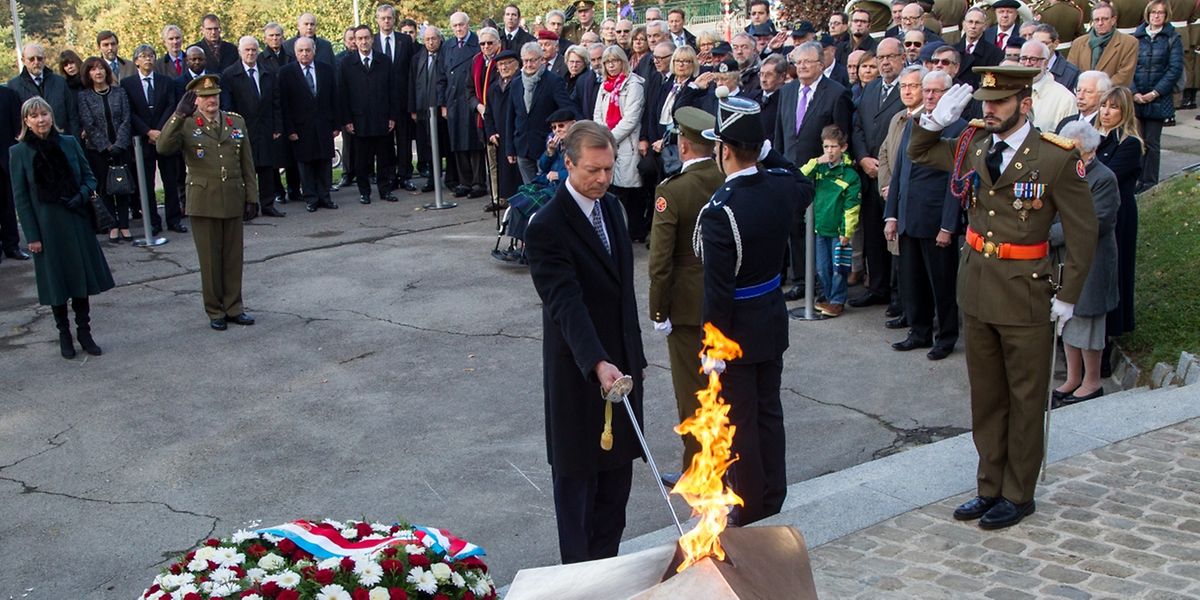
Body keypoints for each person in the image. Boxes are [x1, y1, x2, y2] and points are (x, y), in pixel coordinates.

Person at [909, 66, 1097, 529]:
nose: (987, 110)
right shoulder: (974, 143)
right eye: (983, 103)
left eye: (998, 103)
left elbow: (1083, 230)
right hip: (977, 286)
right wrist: (933, 120)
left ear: (1025, 105)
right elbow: (919, 152)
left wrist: (1069, 294)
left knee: (1025, 396)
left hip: (1026, 291)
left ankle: (1018, 492)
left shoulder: (1054, 158)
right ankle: (988, 485)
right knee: (986, 397)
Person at [524, 120, 646, 564]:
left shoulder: (613, 209)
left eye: (609, 169)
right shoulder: (547, 225)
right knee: (579, 490)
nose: (602, 179)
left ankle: (608, 572)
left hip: (623, 369)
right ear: (568, 162)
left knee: (616, 489)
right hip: (578, 373)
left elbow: (622, 293)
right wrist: (596, 361)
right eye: (592, 170)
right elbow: (565, 302)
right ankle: (579, 580)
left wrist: (632, 357)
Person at [696, 89, 808, 525]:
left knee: (739, 425)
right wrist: (769, 152)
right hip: (770, 318)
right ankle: (772, 497)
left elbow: (717, 290)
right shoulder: (781, 188)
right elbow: (802, 180)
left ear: (724, 151)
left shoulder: (720, 211)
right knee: (768, 414)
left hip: (737, 330)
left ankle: (749, 510)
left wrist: (712, 349)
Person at [647, 107, 724, 482]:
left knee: (692, 393)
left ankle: (699, 472)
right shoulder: (728, 179)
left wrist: (658, 311)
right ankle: (725, 465)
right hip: (728, 298)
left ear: (683, 144)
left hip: (687, 306)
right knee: (724, 387)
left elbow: (660, 261)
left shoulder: (672, 190)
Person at [11, 97, 114, 358]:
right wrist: (32, 236)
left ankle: (84, 332)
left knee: (80, 280)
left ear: (51, 116)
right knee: (56, 284)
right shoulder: (19, 153)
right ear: (26, 121)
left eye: (44, 114)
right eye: (34, 116)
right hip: (46, 229)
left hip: (76, 221)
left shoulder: (68, 143)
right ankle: (64, 334)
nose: (41, 119)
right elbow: (21, 199)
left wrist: (81, 194)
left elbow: (90, 176)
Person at [157, 75, 259, 330]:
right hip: (203, 200)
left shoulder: (235, 121)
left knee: (233, 257)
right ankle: (215, 310)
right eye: (204, 97)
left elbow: (247, 162)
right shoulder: (188, 124)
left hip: (233, 195)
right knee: (210, 260)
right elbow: (162, 147)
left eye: (214, 95)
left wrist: (252, 196)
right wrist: (178, 116)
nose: (210, 100)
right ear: (195, 100)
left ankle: (234, 307)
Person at [884, 68, 966, 359]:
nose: (930, 96)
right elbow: (901, 173)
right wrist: (891, 214)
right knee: (912, 280)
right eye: (927, 91)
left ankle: (945, 337)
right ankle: (918, 331)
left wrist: (948, 225)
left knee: (941, 284)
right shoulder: (914, 122)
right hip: (908, 217)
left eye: (936, 92)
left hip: (935, 222)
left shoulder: (960, 129)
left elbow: (955, 184)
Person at [1051, 121, 1120, 407]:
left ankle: (1092, 382)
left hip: (1093, 261)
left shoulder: (1103, 178)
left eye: (1075, 150)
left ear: (1090, 150)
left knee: (1089, 324)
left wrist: (1049, 236)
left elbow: (1091, 223)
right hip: (1065, 262)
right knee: (1068, 323)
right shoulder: (1065, 173)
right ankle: (1073, 377)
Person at [848, 38, 903, 308]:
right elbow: (856, 127)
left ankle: (898, 294)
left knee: (895, 236)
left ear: (902, 58)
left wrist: (885, 166)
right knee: (872, 233)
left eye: (890, 57)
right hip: (869, 173)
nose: (884, 63)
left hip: (894, 174)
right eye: (880, 58)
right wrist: (863, 158)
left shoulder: (909, 88)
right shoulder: (870, 90)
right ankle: (878, 287)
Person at [1095, 86, 1143, 361]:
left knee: (1115, 270)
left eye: (1113, 107)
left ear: (1124, 112)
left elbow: (1105, 176)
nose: (1106, 112)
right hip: (1097, 212)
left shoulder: (1130, 143)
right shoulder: (1096, 136)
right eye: (1104, 106)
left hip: (1119, 214)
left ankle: (1109, 336)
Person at [121, 44, 186, 233]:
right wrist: (147, 131)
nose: (148, 59)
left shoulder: (166, 81)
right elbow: (130, 112)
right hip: (143, 140)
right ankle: (153, 222)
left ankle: (174, 220)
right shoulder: (128, 84)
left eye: (151, 55)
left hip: (164, 136)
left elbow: (171, 105)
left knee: (170, 180)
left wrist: (160, 131)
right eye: (143, 56)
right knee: (147, 183)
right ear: (136, 62)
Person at [800, 124, 861, 318]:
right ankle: (826, 297)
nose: (829, 151)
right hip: (820, 228)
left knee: (838, 268)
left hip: (838, 231)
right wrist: (817, 160)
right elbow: (800, 174)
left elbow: (851, 207)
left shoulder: (850, 175)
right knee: (821, 267)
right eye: (826, 147)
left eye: (833, 147)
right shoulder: (820, 168)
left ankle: (837, 301)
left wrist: (846, 231)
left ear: (843, 147)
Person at [222, 36, 286, 218]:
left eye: (253, 50)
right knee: (245, 169)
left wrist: (277, 127)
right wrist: (232, 129)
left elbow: (276, 102)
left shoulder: (268, 72)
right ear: (239, 52)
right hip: (242, 128)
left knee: (267, 168)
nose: (250, 53)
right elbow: (228, 105)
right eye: (247, 50)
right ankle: (248, 205)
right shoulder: (229, 74)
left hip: (265, 127)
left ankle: (268, 204)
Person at [77, 57, 136, 243]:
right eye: (93, 70)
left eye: (101, 68)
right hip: (98, 150)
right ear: (88, 74)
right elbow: (89, 123)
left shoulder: (120, 92)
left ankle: (125, 225)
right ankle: (113, 226)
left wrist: (119, 144)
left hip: (122, 147)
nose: (98, 72)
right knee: (105, 187)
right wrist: (106, 146)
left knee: (123, 186)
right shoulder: (84, 96)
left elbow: (126, 119)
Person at [339, 25, 399, 205]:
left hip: (382, 118)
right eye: (360, 39)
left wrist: (392, 116)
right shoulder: (347, 64)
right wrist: (347, 120)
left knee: (384, 158)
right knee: (362, 160)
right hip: (359, 120)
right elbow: (343, 94)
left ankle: (385, 190)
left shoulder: (384, 61)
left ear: (372, 39)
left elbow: (392, 90)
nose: (363, 42)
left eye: (366, 38)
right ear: (355, 41)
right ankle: (364, 192)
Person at [279, 37, 339, 213]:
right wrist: (289, 129)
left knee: (324, 162)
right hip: (300, 127)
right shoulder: (286, 73)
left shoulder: (326, 70)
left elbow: (334, 98)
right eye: (301, 51)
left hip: (323, 125)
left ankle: (325, 197)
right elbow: (284, 104)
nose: (304, 53)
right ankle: (311, 198)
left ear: (314, 51)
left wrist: (336, 124)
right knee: (305, 165)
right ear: (295, 53)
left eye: (308, 50)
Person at [593, 46, 646, 243]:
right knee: (613, 188)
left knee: (629, 190)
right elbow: (597, 113)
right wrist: (602, 135)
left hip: (626, 144)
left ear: (622, 61)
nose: (611, 65)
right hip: (607, 142)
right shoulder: (604, 85)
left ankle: (634, 232)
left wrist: (608, 138)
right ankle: (618, 230)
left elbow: (631, 119)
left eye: (614, 61)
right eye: (607, 62)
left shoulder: (634, 84)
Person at [505, 42, 577, 185]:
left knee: (546, 190)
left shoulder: (553, 81)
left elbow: (567, 109)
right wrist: (509, 148)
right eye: (525, 60)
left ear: (541, 60)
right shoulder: (516, 83)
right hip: (522, 146)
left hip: (545, 147)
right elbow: (510, 116)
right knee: (530, 191)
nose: (528, 64)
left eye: (532, 60)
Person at [1131, 0, 1183, 190]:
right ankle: (1136, 179)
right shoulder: (1136, 37)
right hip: (1136, 98)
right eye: (1153, 12)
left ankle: (1149, 182)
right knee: (1136, 142)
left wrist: (1155, 93)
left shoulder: (1173, 38)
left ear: (1166, 15)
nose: (1156, 16)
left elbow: (1174, 69)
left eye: (1160, 12)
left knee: (1152, 143)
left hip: (1158, 99)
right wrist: (1134, 91)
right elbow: (1129, 66)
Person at [444, 13, 487, 200]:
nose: (458, 29)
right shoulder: (448, 46)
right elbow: (441, 76)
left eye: (461, 25)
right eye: (455, 26)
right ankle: (464, 181)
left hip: (471, 100)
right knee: (458, 143)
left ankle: (478, 182)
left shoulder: (478, 43)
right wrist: (442, 104)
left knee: (474, 143)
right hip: (452, 101)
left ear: (468, 25)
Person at [374, 5, 417, 193]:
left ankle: (405, 175)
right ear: (377, 20)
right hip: (381, 102)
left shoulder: (405, 41)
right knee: (385, 143)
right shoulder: (372, 41)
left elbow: (412, 71)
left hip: (403, 99)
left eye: (389, 18)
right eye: (382, 18)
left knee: (404, 139)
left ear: (394, 19)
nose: (386, 21)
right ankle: (389, 176)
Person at [9, 44, 79, 136]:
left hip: (61, 139)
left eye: (40, 58)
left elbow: (72, 115)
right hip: (32, 143)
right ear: (23, 61)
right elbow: (14, 121)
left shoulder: (60, 82)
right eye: (31, 59)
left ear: (44, 59)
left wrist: (74, 141)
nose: (36, 62)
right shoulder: (14, 86)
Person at [483, 50, 524, 207]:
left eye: (508, 63)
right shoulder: (494, 87)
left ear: (516, 64)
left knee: (517, 172)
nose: (504, 67)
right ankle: (503, 200)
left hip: (516, 134)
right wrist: (491, 132)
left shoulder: (520, 83)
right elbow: (488, 114)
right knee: (502, 172)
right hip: (499, 136)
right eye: (501, 64)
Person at [1066, 3, 1137, 87]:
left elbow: (1124, 75)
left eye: (1105, 19)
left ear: (1113, 20)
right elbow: (1071, 72)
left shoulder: (1129, 43)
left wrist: (1098, 90)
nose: (1100, 23)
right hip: (1083, 94)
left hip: (1111, 96)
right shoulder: (1078, 43)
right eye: (1096, 19)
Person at [1023, 40, 1078, 132]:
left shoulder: (1066, 99)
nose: (1027, 63)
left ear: (1046, 63)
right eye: (1024, 58)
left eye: (1033, 59)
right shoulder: (1010, 90)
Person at [0, 85, 27, 264]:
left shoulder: (9, 95)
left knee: (8, 205)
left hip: (5, 160)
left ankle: (12, 246)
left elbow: (19, 129)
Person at [955, 7, 1005, 89]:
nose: (973, 26)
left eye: (977, 23)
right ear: (964, 24)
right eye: (970, 22)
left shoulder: (995, 53)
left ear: (984, 26)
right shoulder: (953, 50)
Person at [1030, 24, 1081, 92]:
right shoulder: (1026, 67)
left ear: (1056, 44)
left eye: (1044, 43)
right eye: (1035, 43)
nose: (1039, 48)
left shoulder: (1072, 73)